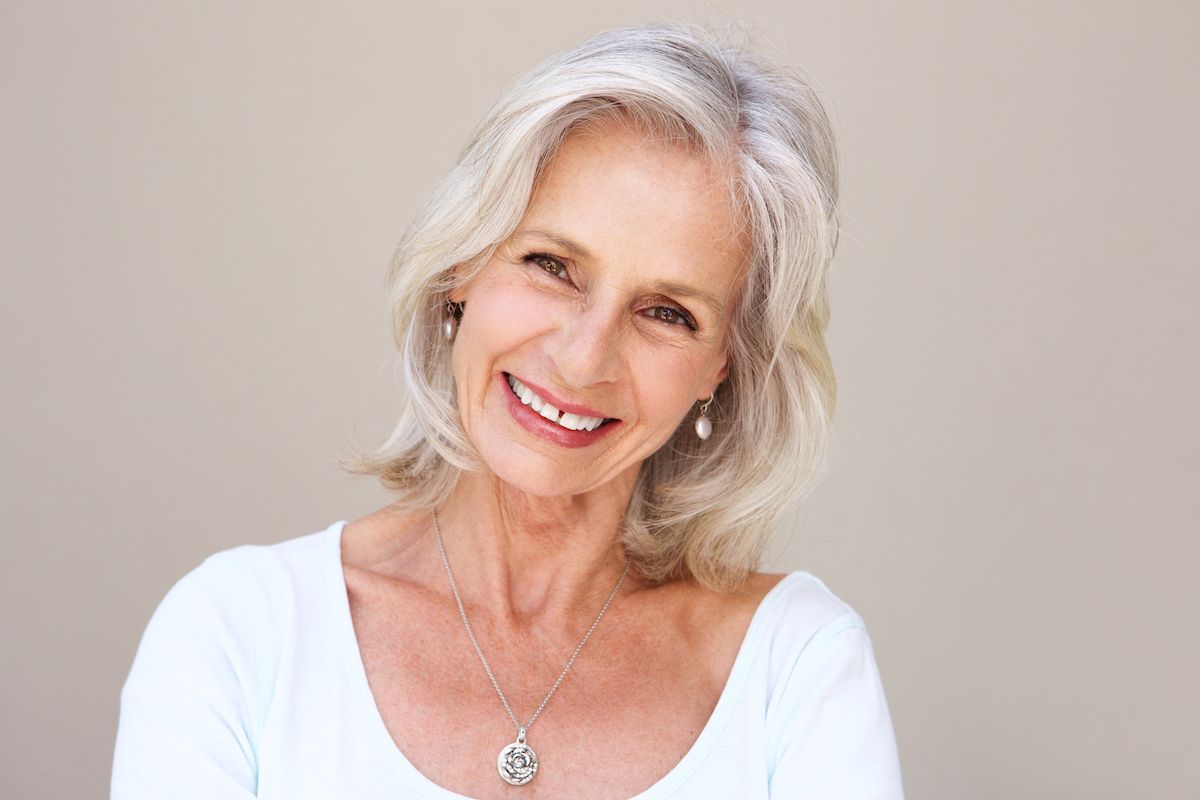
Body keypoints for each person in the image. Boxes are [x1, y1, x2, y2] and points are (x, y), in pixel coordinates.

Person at [112, 22, 905, 799]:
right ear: (463, 261)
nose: (583, 358)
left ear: (721, 366)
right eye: (552, 265)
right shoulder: (239, 634)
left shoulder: (798, 667)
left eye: (667, 313)